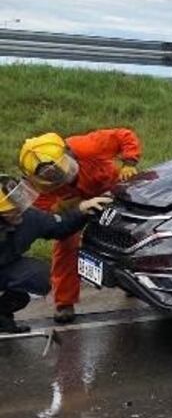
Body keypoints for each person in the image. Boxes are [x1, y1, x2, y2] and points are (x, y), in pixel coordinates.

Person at [18, 129, 142, 323]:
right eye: (49, 177)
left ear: (66, 154)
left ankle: (134, 283)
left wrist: (129, 162)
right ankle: (64, 303)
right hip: (76, 208)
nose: (56, 178)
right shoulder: (41, 187)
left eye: (57, 171)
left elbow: (123, 136)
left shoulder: (88, 146)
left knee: (128, 236)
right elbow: (46, 221)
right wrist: (65, 213)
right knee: (66, 246)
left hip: (111, 190)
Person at [0, 175, 111, 334]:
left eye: (19, 205)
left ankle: (1, 316)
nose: (20, 211)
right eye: (12, 210)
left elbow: (58, 226)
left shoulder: (28, 218)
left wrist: (82, 209)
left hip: (5, 265)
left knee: (38, 277)